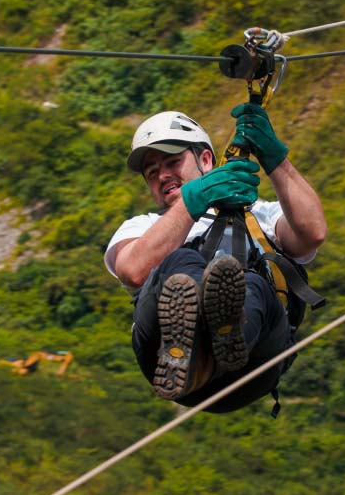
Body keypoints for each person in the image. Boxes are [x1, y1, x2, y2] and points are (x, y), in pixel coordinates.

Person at [104, 105, 326, 412]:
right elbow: (132, 270)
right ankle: (195, 343)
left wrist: (276, 161)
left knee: (253, 284)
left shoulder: (261, 216)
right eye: (152, 172)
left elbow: (311, 233)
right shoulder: (142, 227)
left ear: (206, 160)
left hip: (251, 364)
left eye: (172, 162)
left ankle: (227, 337)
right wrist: (196, 198)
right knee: (179, 262)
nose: (163, 175)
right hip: (165, 361)